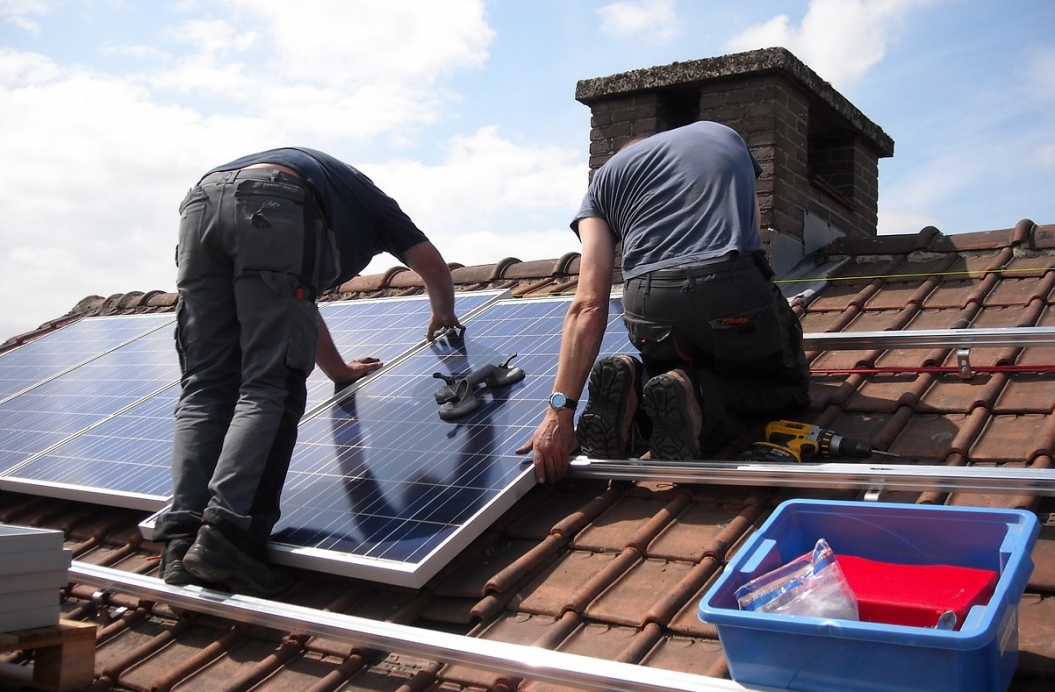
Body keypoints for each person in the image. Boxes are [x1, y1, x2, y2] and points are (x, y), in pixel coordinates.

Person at [155, 147, 463, 596]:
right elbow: (432, 265)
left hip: (201, 204)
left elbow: (295, 305)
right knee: (269, 388)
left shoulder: (334, 191)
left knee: (205, 387)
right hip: (273, 201)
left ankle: (181, 543)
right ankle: (228, 539)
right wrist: (444, 313)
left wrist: (338, 369)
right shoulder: (375, 206)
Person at [519, 121, 810, 483]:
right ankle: (698, 397)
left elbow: (589, 303)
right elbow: (753, 236)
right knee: (790, 388)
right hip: (730, 284)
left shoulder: (602, 183)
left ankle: (637, 384)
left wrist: (559, 412)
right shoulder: (723, 134)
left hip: (650, 305)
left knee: (669, 367)